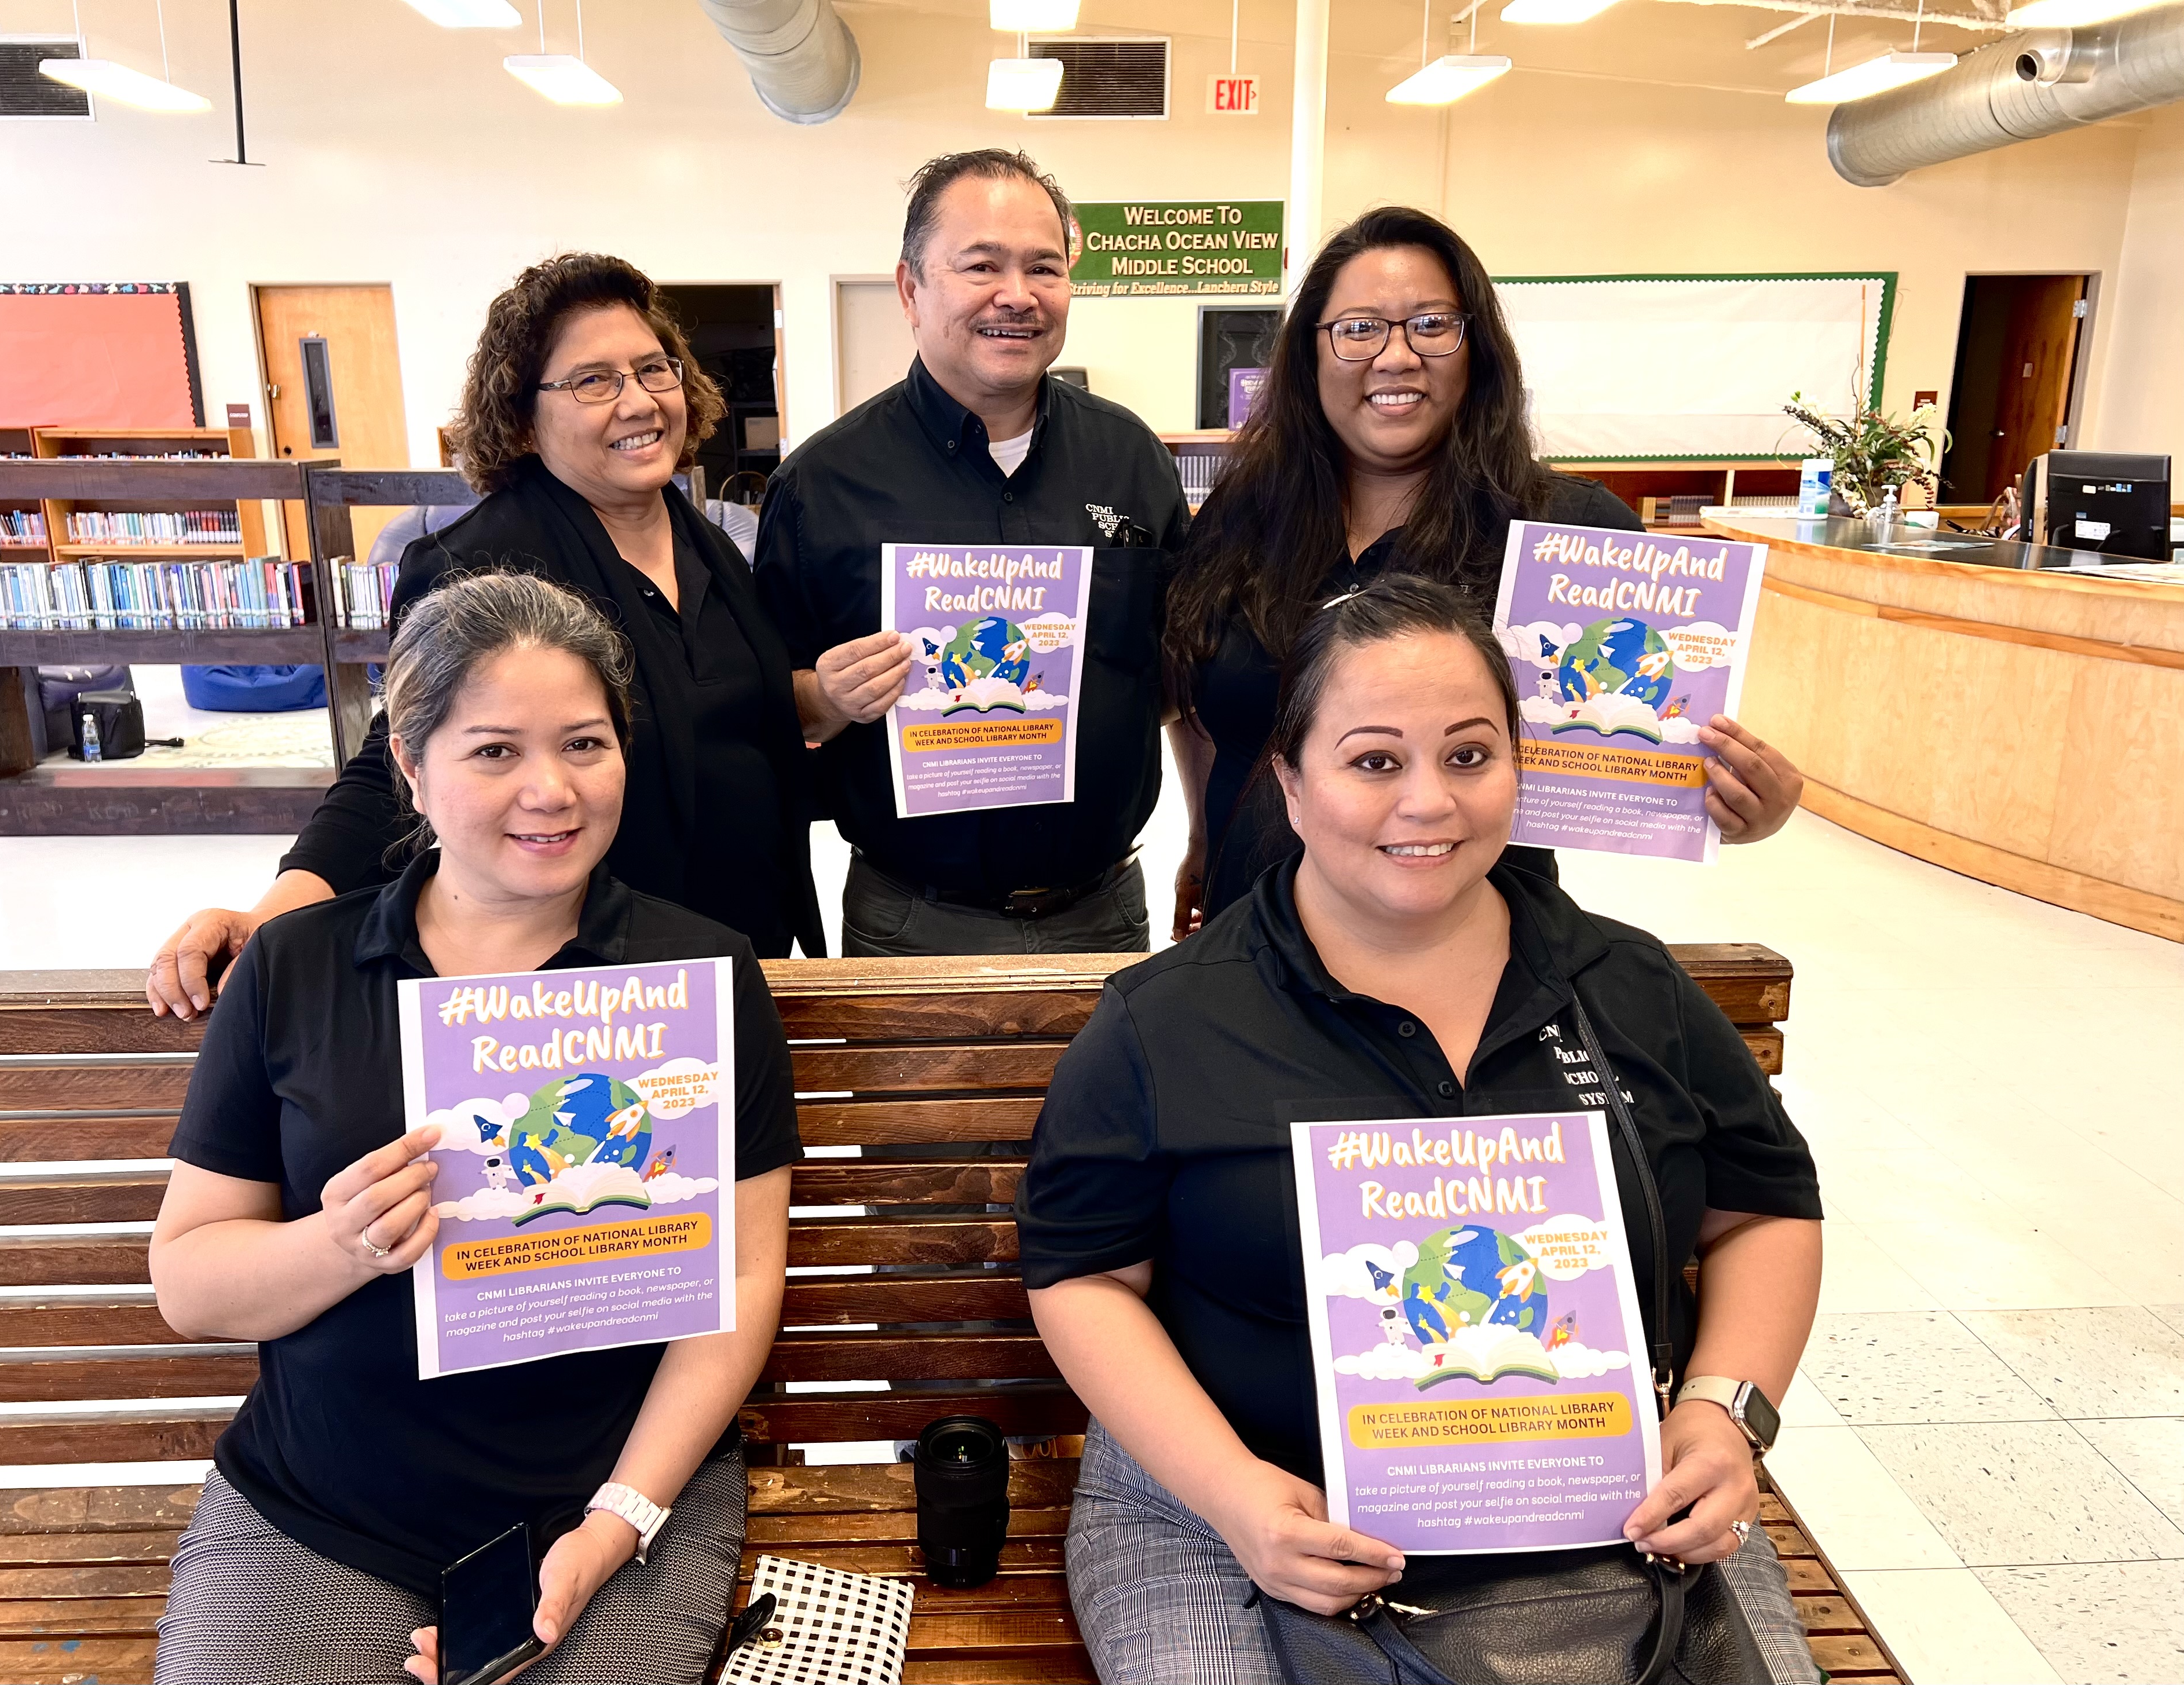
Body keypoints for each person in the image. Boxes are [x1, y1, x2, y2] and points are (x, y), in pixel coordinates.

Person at [1016, 576, 1823, 1684]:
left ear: (1518, 769)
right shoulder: (1168, 1018)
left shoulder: (1630, 984)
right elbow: (1082, 1273)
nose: (1430, 802)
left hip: (1604, 1508)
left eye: (1469, 754)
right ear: (1292, 784)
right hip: (1236, 1502)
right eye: (1375, 759)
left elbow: (1764, 1210)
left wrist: (1726, 1413)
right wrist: (1234, 1492)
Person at [148, 572, 797, 1684]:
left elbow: (735, 1280)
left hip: (611, 1492)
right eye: (494, 750)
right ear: (409, 763)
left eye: (585, 743)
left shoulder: (698, 974)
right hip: (323, 1508)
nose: (551, 789)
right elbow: (189, 1282)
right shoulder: (297, 968)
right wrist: (340, 1241)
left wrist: (617, 1520)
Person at [147, 253, 821, 1020]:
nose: (637, 400)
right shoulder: (481, 562)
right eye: (594, 380)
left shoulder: (705, 540)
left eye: (653, 369)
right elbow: (401, 760)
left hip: (744, 947)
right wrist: (281, 909)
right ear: (522, 412)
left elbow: (728, 717)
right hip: (593, 969)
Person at [1164, 207, 1804, 935]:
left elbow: (1657, 731)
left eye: (1432, 324)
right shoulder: (1240, 516)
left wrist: (1735, 802)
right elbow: (1202, 711)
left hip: (1470, 955)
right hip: (1250, 943)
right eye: (1358, 327)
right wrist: (1201, 840)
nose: (1397, 356)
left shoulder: (1569, 532)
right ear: (1310, 354)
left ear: (1478, 349)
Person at [755, 149, 1191, 957]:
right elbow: (759, 706)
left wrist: (1201, 835)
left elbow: (1177, 676)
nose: (1017, 297)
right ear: (910, 289)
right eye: (981, 266)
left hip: (1104, 912)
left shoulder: (1131, 459)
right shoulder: (823, 484)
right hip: (913, 920)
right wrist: (826, 695)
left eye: (1044, 268)